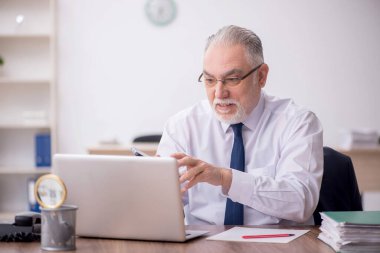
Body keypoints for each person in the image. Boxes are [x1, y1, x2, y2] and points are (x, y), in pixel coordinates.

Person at [156, 25, 323, 225]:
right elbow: (162, 204)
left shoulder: (298, 122)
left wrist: (226, 178)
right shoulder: (182, 126)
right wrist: (155, 188)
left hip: (277, 245)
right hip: (204, 245)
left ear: (261, 76)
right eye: (209, 80)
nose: (219, 93)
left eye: (232, 79)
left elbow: (300, 201)